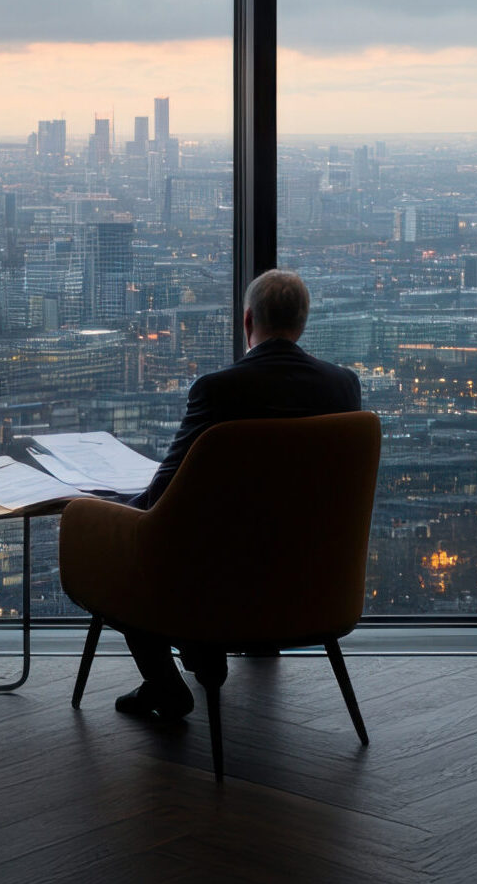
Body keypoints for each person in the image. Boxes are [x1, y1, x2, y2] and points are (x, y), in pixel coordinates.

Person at [115, 267, 362, 721]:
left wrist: (113, 514)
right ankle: (196, 646)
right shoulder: (343, 386)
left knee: (121, 553)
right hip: (315, 584)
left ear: (247, 322)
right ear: (302, 323)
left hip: (216, 585)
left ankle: (168, 682)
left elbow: (161, 495)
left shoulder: (219, 390)